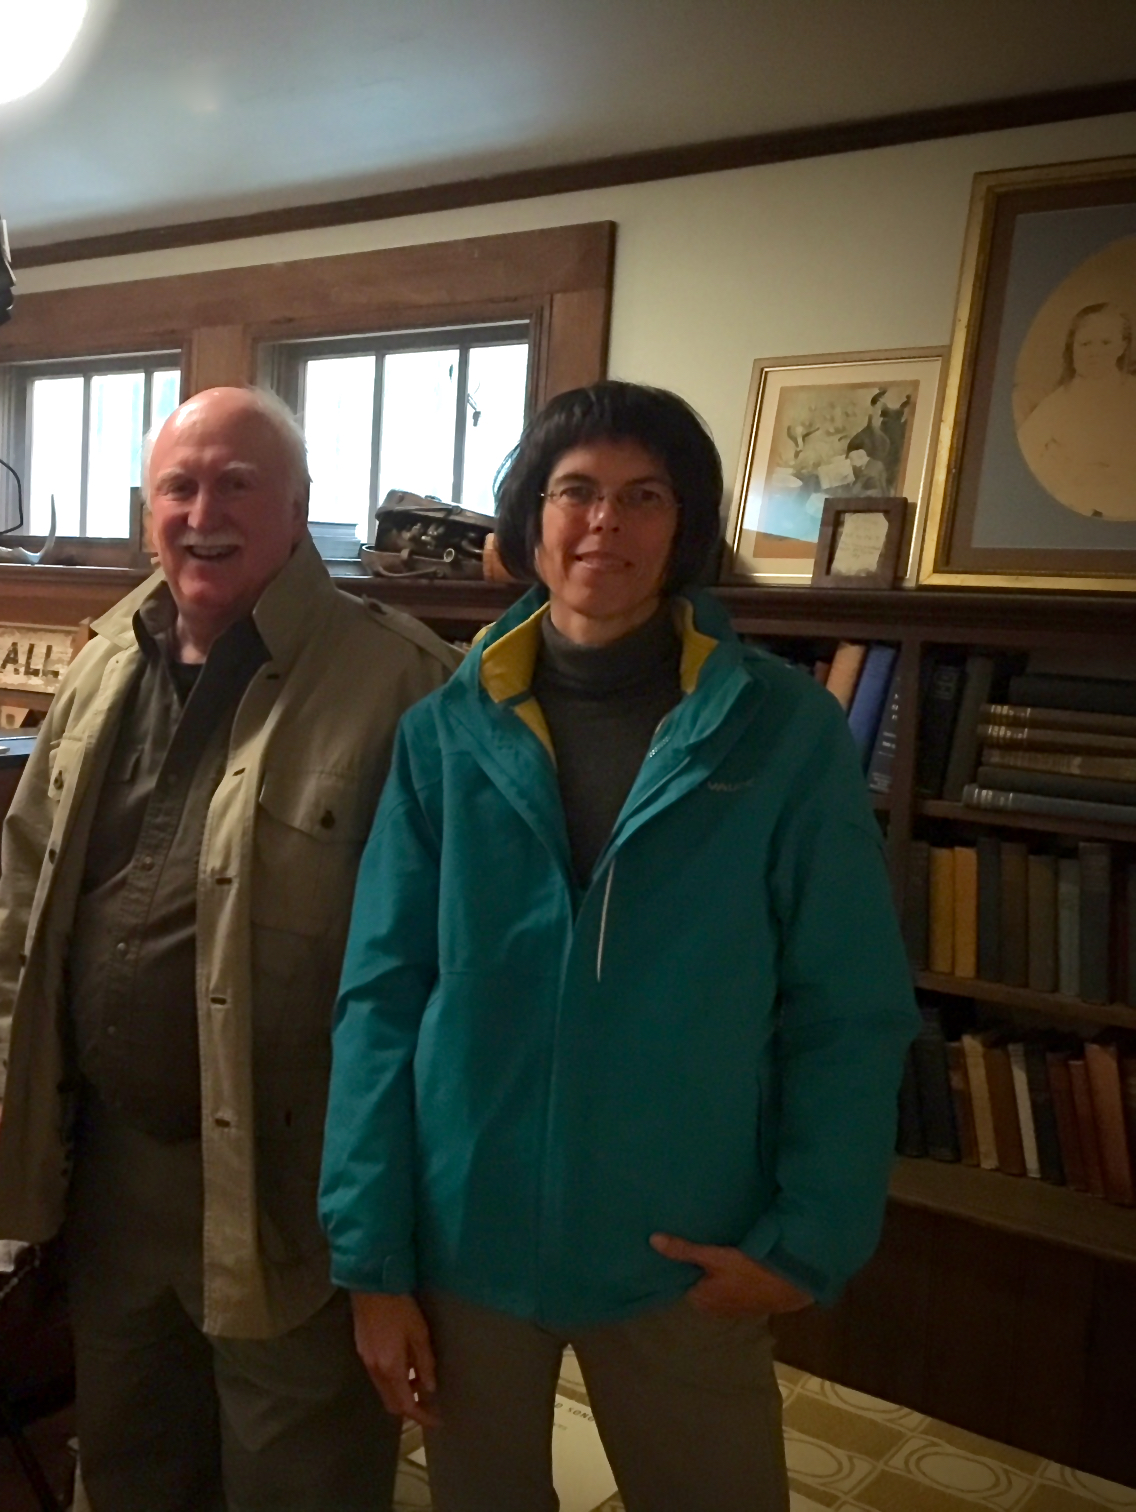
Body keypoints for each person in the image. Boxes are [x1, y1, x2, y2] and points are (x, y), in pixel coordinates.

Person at [321, 381, 918, 1512]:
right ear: (530, 520)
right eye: (576, 491)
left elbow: (847, 1005)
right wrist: (371, 1259)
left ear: (683, 527)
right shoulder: (442, 733)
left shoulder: (780, 732)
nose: (605, 522)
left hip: (687, 1247)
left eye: (644, 496)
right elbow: (381, 998)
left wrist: (807, 1239)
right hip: (467, 1241)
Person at [0, 385, 460, 1511]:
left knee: (298, 1477)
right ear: (149, 511)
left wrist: (394, 1217)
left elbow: (445, 968)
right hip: (114, 1172)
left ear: (299, 507)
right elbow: (28, 886)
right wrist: (7, 1080)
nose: (203, 513)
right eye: (178, 488)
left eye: (237, 484)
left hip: (297, 1190)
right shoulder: (101, 662)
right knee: (130, 1466)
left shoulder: (404, 682)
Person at [1016, 300, 1136, 520]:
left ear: (1122, 346)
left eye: (1106, 342)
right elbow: (1027, 450)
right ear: (1072, 347)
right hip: (1079, 502)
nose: (1095, 352)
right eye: (1085, 344)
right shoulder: (1059, 402)